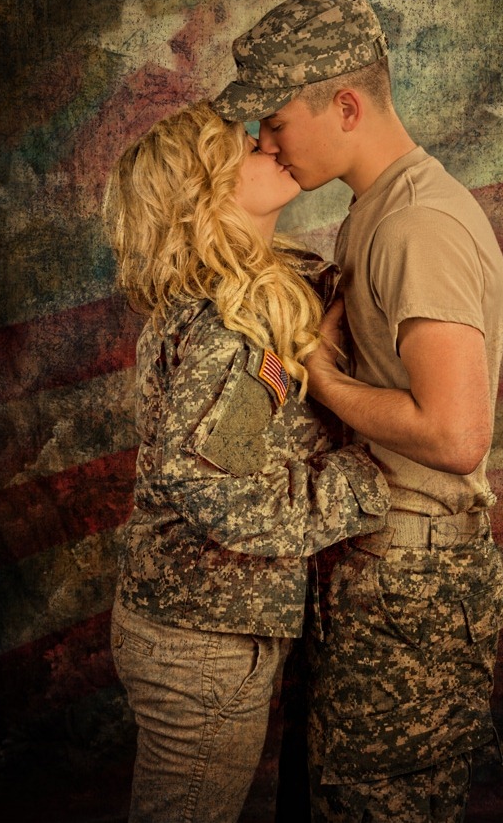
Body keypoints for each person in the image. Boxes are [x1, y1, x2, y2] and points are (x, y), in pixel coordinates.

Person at [212, 0, 503, 822]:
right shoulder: (375, 210)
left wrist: (320, 376)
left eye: (275, 121)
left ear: (345, 107)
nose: (264, 142)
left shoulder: (418, 224)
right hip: (378, 566)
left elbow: (454, 435)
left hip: (410, 579)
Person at [102, 100, 391, 823]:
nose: (267, 143)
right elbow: (212, 489)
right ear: (205, 195)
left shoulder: (253, 293)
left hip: (197, 625)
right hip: (202, 639)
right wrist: (360, 482)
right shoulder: (232, 329)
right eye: (243, 149)